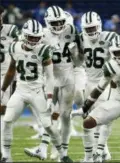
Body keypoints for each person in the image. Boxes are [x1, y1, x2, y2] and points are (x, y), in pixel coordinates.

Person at [0, 19, 72, 163]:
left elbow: (50, 77)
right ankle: (6, 156)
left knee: (48, 126)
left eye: (36, 37)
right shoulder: (14, 47)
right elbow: (11, 71)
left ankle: (63, 154)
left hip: (37, 91)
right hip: (20, 91)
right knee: (7, 120)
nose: (33, 40)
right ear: (24, 35)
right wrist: (3, 90)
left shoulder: (44, 50)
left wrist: (50, 97)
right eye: (31, 37)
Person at [23, 6, 77, 161]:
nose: (59, 25)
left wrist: (76, 56)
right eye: (55, 22)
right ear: (47, 22)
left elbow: (80, 55)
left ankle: (62, 152)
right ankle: (44, 148)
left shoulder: (72, 31)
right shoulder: (43, 34)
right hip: (50, 78)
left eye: (61, 21)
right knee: (48, 114)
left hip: (68, 78)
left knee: (65, 116)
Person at [69, 11, 116, 162]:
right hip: (88, 80)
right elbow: (78, 63)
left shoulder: (110, 38)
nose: (90, 31)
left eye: (93, 28)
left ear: (99, 26)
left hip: (104, 81)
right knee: (89, 118)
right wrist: (74, 54)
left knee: (101, 118)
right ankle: (100, 153)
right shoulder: (81, 39)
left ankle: (99, 151)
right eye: (87, 29)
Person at [0, 5, 19, 159]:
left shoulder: (11, 30)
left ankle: (4, 151)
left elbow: (20, 50)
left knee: (3, 110)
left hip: (5, 75)